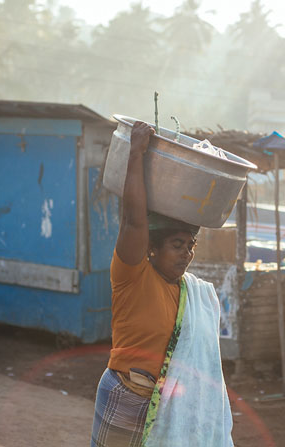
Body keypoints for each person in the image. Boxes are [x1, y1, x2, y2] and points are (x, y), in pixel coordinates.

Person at [91, 121, 233, 447]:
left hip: (173, 407)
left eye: (191, 246)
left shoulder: (193, 294)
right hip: (128, 396)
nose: (187, 254)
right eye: (178, 245)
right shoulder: (132, 275)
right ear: (152, 248)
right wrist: (136, 153)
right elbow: (133, 219)